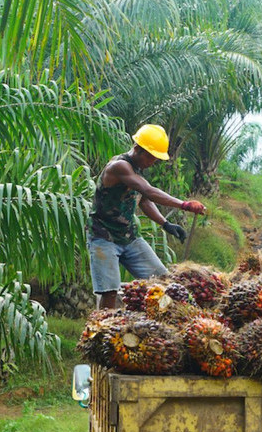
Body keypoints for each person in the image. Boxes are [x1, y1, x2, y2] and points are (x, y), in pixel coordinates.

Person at [88, 124, 206, 308]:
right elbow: (148, 191)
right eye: (150, 156)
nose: (152, 162)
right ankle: (102, 329)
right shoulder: (120, 166)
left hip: (129, 237)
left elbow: (143, 200)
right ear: (137, 149)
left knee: (162, 280)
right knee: (109, 291)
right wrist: (184, 205)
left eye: (156, 158)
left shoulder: (137, 170)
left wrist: (166, 224)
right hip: (103, 237)